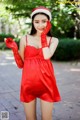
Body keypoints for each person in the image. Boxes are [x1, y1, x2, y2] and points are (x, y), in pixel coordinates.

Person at [5, 6, 61, 120]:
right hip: (28, 84)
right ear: (32, 22)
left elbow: (46, 55)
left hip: (47, 84)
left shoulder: (54, 40)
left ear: (49, 22)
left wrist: (44, 36)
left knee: (47, 118)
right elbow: (21, 64)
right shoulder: (25, 38)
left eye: (44, 21)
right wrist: (15, 50)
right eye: (37, 22)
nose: (40, 25)